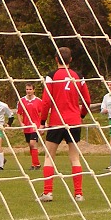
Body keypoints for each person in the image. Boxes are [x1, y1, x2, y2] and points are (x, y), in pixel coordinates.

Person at [38, 46, 91, 202]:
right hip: (74, 122)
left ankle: (48, 193)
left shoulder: (51, 76)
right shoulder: (78, 76)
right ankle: (78, 194)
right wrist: (80, 115)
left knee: (49, 156)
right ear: (71, 60)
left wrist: (42, 122)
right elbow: (87, 101)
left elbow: (46, 101)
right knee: (74, 158)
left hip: (56, 121)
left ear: (56, 60)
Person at [17, 83, 45, 170]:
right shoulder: (22, 101)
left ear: (34, 90)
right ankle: (36, 164)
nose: (28, 91)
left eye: (30, 89)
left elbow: (43, 113)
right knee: (30, 145)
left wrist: (42, 125)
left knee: (33, 144)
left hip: (35, 126)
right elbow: (18, 113)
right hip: (26, 127)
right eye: (27, 89)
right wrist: (21, 123)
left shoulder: (38, 101)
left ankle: (35, 164)